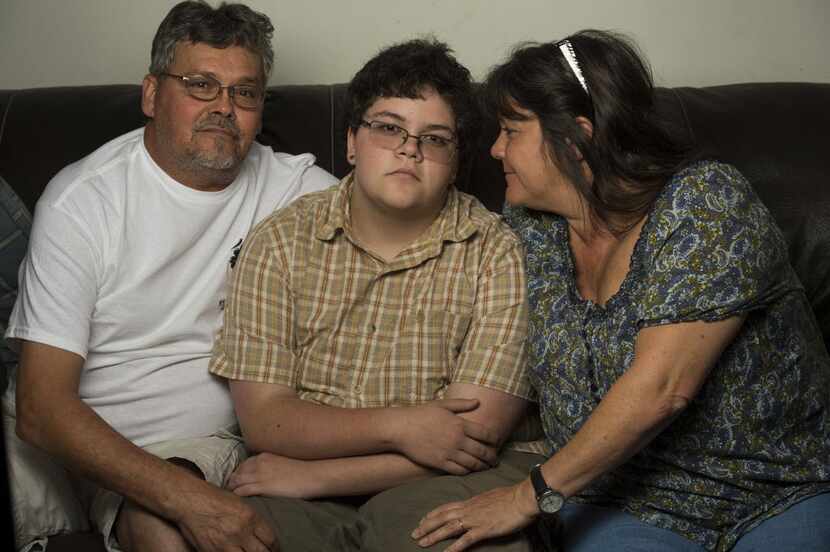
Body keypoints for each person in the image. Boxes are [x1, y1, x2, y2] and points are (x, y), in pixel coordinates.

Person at [412, 29, 830, 552]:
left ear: (577, 138)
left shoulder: (706, 204)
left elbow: (663, 389)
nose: (495, 150)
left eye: (511, 131)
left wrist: (528, 495)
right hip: (622, 502)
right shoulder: (531, 229)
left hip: (776, 491)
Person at [2, 1, 336, 551]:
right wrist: (190, 502)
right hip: (56, 439)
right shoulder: (84, 200)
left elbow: (406, 214)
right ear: (153, 95)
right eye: (201, 85)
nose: (224, 108)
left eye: (245, 92)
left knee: (164, 528)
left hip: (187, 444)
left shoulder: (295, 189)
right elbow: (41, 408)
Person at [208, 38, 547, 552]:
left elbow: (474, 439)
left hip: (445, 482)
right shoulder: (278, 241)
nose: (409, 148)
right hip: (299, 479)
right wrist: (400, 425)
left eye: (434, 139)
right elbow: (266, 419)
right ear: (350, 142)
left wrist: (322, 478)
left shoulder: (497, 250)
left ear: (456, 161)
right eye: (388, 128)